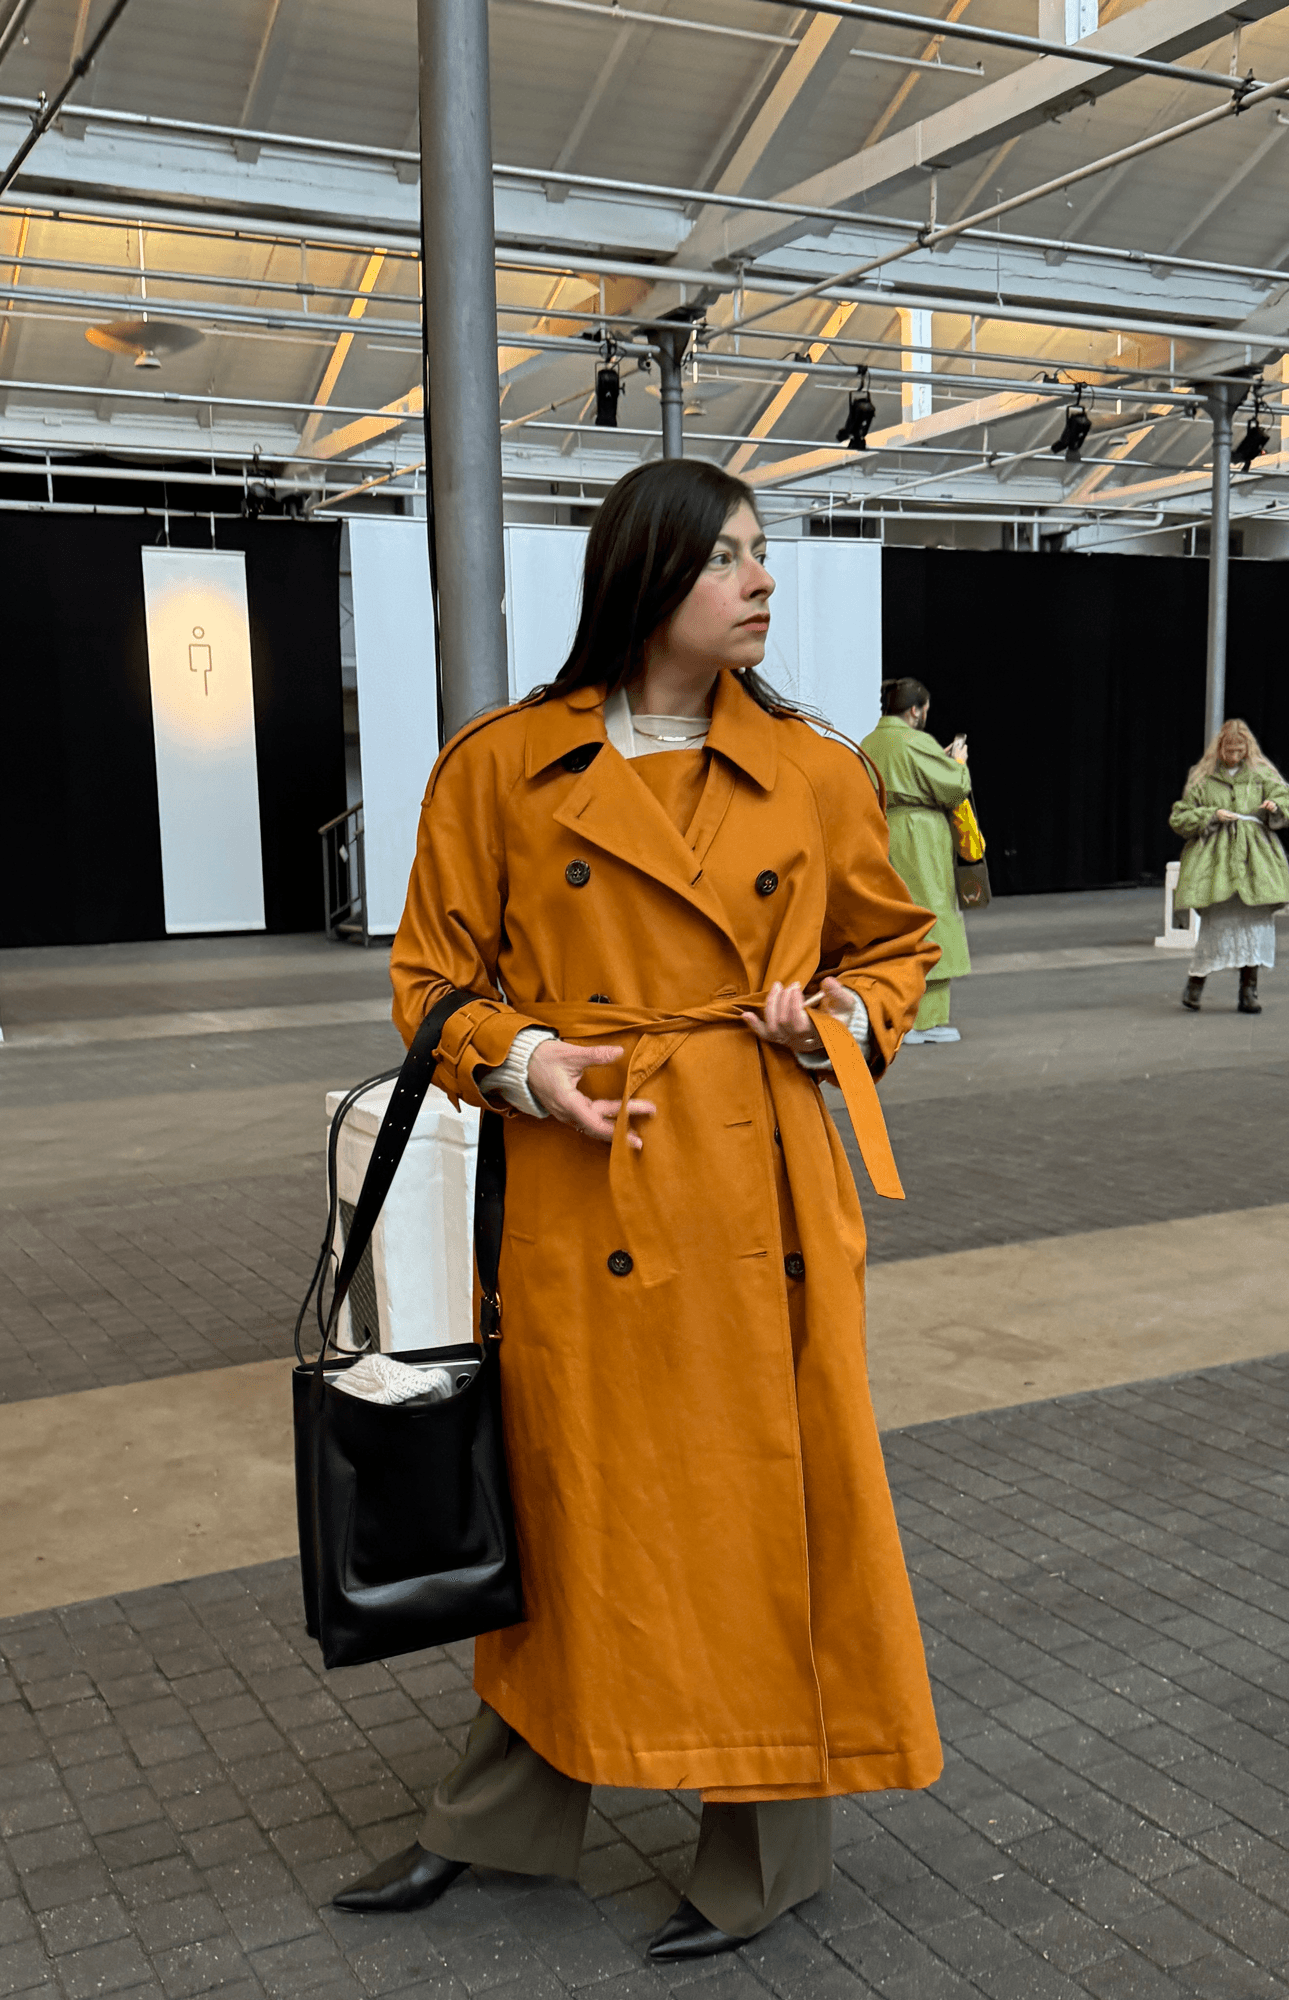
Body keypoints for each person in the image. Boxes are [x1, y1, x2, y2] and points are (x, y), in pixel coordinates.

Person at [334, 460, 943, 1961]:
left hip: (757, 1185)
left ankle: (764, 1854)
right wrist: (527, 1061)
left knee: (763, 1510)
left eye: (759, 552)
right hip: (580, 1182)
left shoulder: (811, 770)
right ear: (644, 575)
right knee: (572, 1507)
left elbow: (893, 948)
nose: (761, 579)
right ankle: (500, 1816)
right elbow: (430, 983)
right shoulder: (500, 765)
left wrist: (836, 1022)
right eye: (726, 556)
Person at [859, 679, 972, 1045]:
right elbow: (954, 787)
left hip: (881, 831)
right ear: (914, 710)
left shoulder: (869, 743)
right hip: (919, 835)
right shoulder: (916, 742)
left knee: (894, 922)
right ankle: (926, 1020)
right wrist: (957, 762)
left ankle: (894, 1013)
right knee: (932, 916)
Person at [1170, 717, 1289, 1014]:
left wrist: (1275, 807)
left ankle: (1249, 990)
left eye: (1239, 750)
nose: (1234, 755)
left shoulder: (1261, 774)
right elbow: (1180, 816)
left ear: (1247, 748)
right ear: (1220, 748)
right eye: (1229, 750)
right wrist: (1211, 815)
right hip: (1217, 860)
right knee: (1216, 926)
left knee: (1255, 926)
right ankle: (1195, 984)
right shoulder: (1203, 778)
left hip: (1255, 859)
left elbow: (1283, 797)